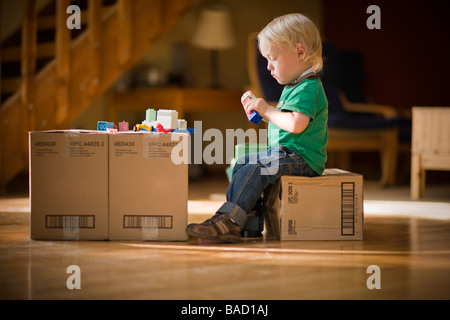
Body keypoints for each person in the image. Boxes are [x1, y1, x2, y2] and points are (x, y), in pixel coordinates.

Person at [186, 13, 328, 243]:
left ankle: (229, 221)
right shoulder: (294, 86)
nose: (269, 67)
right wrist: (260, 111)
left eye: (273, 58)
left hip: (303, 160)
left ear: (300, 52)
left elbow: (296, 124)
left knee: (257, 167)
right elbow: (286, 122)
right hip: (287, 155)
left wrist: (267, 110)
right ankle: (246, 224)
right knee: (244, 162)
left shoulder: (309, 87)